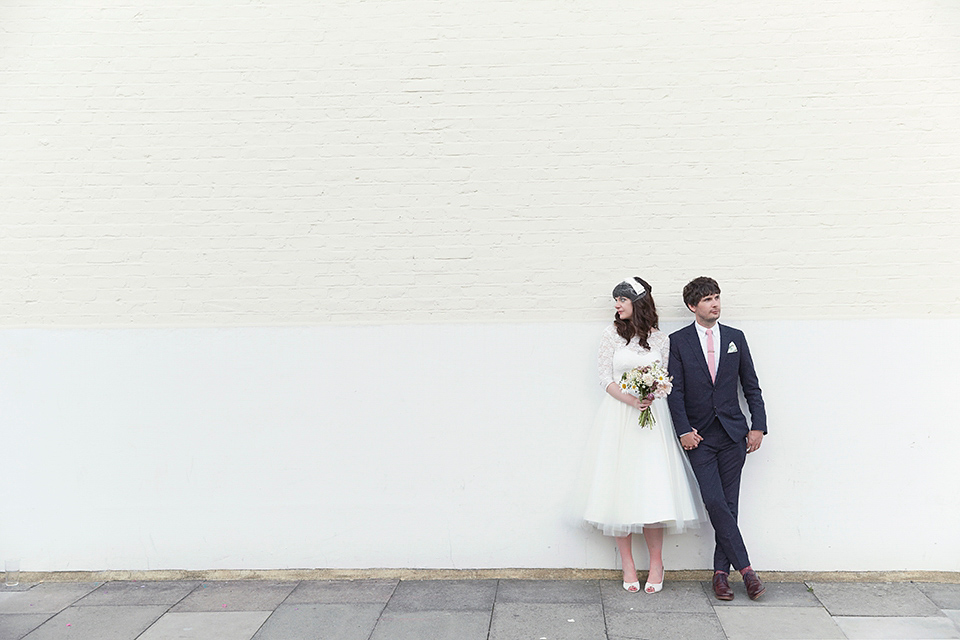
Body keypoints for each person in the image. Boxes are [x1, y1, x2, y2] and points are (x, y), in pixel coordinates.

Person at [577, 276, 704, 594]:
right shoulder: (611, 336)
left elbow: (669, 379)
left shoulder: (660, 339)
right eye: (615, 301)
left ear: (638, 302)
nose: (617, 305)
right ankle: (629, 564)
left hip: (653, 420)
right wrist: (632, 399)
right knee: (619, 486)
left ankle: (657, 563)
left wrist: (655, 391)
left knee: (653, 485)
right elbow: (605, 377)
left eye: (621, 299)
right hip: (619, 416)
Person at [667, 277, 768, 601]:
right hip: (699, 438)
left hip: (733, 435)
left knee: (730, 505)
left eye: (717, 297)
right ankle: (747, 571)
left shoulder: (736, 338)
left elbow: (750, 386)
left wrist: (758, 426)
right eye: (708, 299)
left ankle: (721, 575)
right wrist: (683, 430)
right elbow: (675, 391)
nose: (715, 304)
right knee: (715, 502)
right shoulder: (678, 341)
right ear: (692, 306)